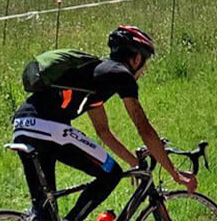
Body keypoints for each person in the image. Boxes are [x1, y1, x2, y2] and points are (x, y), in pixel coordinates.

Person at [12, 26, 195, 221]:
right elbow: (143, 127)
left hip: (23, 125)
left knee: (45, 213)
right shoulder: (121, 75)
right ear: (136, 59)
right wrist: (175, 174)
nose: (144, 70)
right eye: (145, 63)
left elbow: (103, 131)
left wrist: (134, 163)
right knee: (111, 173)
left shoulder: (95, 77)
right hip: (49, 128)